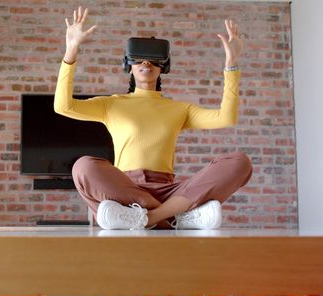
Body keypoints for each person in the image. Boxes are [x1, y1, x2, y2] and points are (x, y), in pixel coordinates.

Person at [54, 6, 252, 230]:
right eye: (138, 59)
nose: (145, 63)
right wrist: (71, 50)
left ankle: (146, 218)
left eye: (152, 59)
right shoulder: (112, 104)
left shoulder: (179, 109)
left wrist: (231, 65)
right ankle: (176, 216)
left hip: (169, 190)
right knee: (83, 167)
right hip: (125, 187)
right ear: (128, 66)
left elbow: (226, 118)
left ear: (163, 67)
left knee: (240, 162)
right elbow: (63, 107)